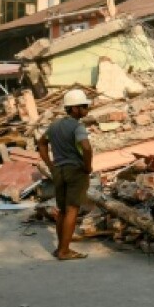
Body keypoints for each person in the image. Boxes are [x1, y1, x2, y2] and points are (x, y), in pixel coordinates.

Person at [37, 88, 94, 261]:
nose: (86, 110)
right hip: (75, 171)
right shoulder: (78, 127)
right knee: (72, 210)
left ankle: (60, 247)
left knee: (62, 210)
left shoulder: (54, 126)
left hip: (59, 171)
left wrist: (49, 164)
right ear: (74, 108)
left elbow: (41, 143)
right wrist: (87, 166)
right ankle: (64, 251)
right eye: (84, 106)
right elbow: (86, 147)